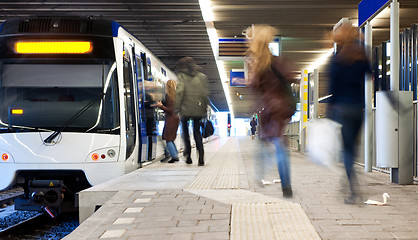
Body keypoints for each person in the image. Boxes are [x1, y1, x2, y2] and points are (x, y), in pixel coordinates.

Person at [245, 25, 297, 198]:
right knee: (280, 144)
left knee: (265, 141)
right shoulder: (278, 60)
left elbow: (253, 86)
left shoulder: (257, 64)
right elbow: (291, 76)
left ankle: (260, 173)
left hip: (268, 109)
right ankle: (286, 186)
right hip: (282, 107)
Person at [328, 24, 371, 204]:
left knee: (346, 151)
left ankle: (353, 189)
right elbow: (371, 74)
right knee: (353, 148)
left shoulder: (337, 59)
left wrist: (330, 111)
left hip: (342, 109)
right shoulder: (363, 54)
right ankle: (349, 180)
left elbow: (333, 88)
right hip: (358, 109)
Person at [175, 57, 209, 166]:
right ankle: (201, 158)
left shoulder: (181, 76)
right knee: (197, 132)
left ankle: (188, 156)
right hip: (198, 110)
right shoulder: (202, 77)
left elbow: (180, 92)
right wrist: (204, 109)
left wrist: (177, 108)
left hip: (185, 110)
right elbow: (204, 95)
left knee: (185, 134)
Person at [152, 80, 180, 163]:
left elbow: (170, 109)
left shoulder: (170, 96)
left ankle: (174, 156)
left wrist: (161, 106)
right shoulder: (177, 96)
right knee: (170, 139)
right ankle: (175, 154)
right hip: (175, 119)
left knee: (168, 139)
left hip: (171, 119)